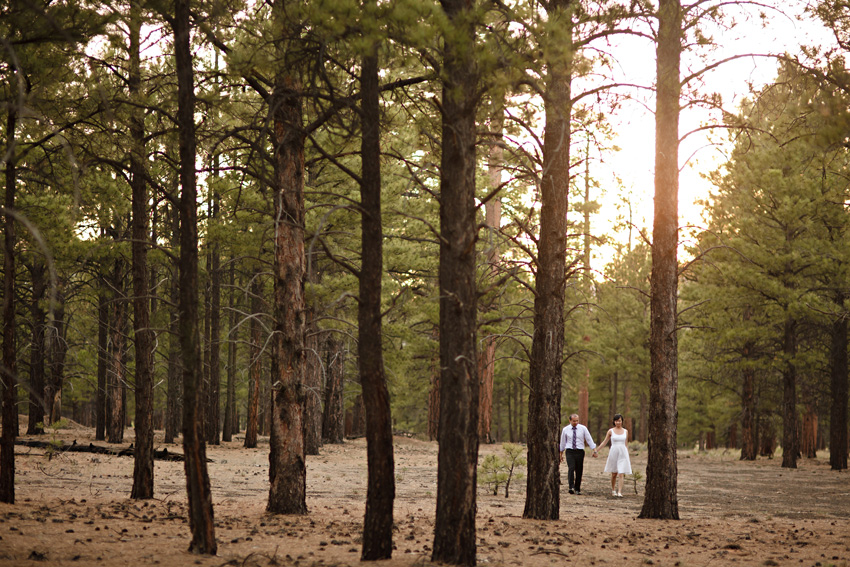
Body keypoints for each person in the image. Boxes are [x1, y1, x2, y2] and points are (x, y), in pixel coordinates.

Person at [558, 413, 597, 495]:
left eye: (577, 421)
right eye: (574, 421)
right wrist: (560, 454)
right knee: (571, 468)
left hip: (579, 451)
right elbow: (562, 442)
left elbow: (589, 439)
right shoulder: (565, 429)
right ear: (570, 420)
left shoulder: (583, 428)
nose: (575, 422)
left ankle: (577, 488)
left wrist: (594, 449)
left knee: (579, 470)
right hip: (570, 451)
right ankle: (571, 487)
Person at [596, 413, 632, 497]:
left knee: (621, 473)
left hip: (623, 452)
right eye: (616, 421)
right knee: (614, 473)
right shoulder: (611, 431)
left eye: (619, 421)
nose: (618, 422)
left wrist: (627, 454)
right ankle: (613, 490)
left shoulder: (625, 431)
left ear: (622, 421)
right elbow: (605, 442)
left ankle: (619, 491)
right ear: (614, 422)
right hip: (614, 452)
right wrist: (596, 450)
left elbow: (625, 443)